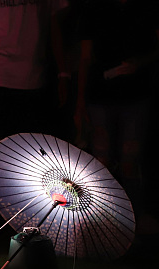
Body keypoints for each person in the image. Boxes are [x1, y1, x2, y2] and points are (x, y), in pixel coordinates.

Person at [74, 0, 159, 209]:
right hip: (102, 95)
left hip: (134, 95)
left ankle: (131, 219)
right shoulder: (94, 9)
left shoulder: (145, 8)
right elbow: (85, 57)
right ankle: (103, 217)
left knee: (129, 160)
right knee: (102, 162)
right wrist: (80, 101)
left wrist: (140, 62)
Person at [0, 0, 71, 171]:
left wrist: (63, 73)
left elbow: (55, 30)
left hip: (36, 79)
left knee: (33, 151)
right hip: (1, 79)